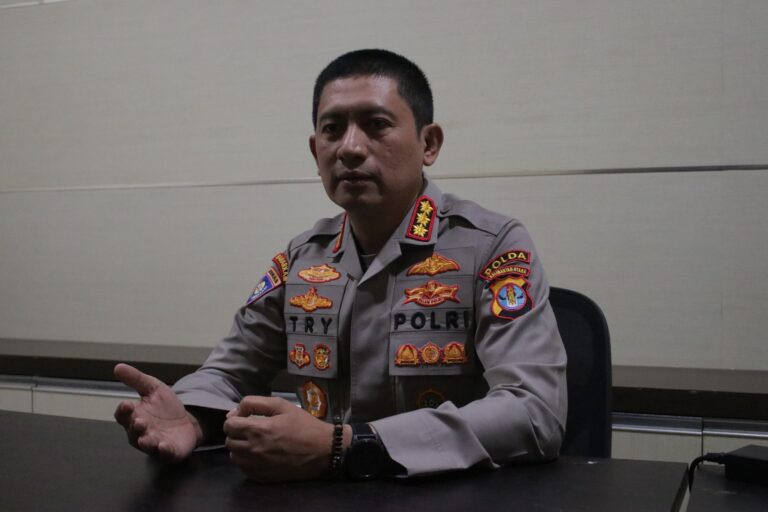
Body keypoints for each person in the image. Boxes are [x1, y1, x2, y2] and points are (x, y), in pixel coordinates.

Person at [114, 49, 567, 481]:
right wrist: (193, 419)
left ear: (428, 143)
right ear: (316, 152)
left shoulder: (491, 246)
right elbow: (230, 373)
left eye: (376, 125)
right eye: (333, 130)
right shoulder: (303, 257)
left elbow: (534, 411)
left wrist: (349, 446)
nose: (350, 148)